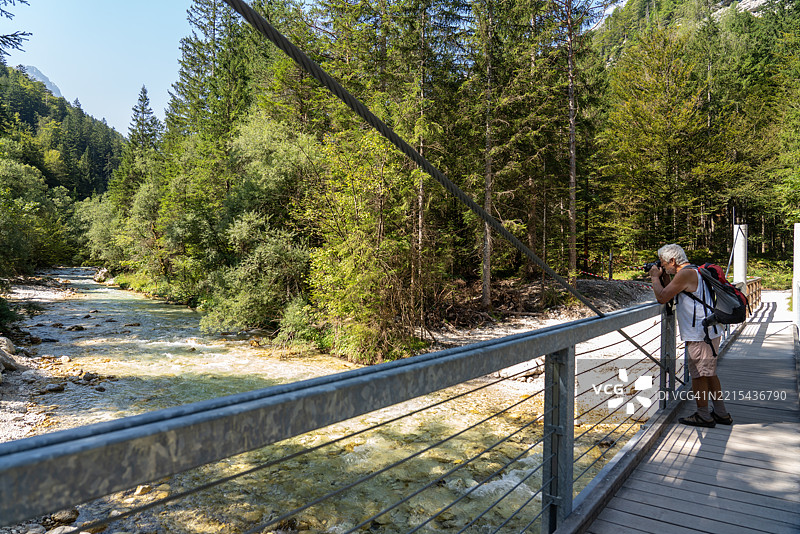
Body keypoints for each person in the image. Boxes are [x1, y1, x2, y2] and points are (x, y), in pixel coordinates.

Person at [649, 244, 733, 427]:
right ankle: (721, 413)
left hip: (700, 334)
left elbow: (662, 297)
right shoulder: (695, 270)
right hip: (710, 330)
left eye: (663, 263)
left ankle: (703, 415)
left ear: (672, 260)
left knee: (699, 375)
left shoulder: (685, 274)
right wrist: (663, 276)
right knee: (709, 373)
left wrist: (655, 277)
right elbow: (672, 293)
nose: (662, 266)